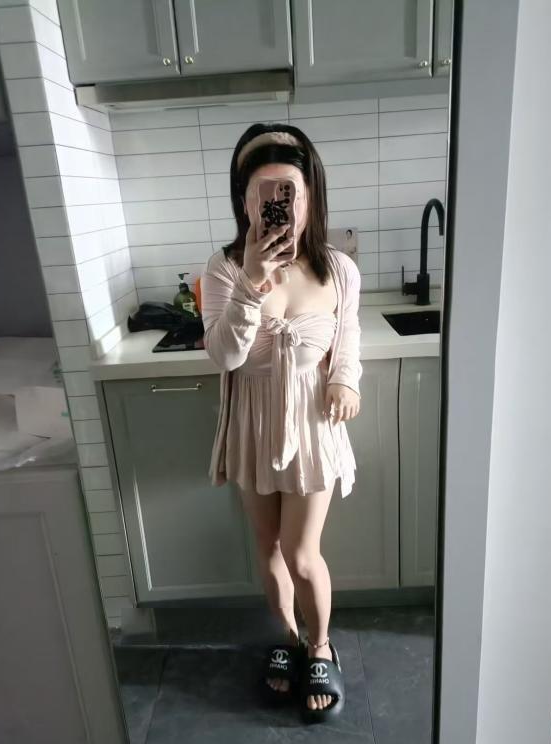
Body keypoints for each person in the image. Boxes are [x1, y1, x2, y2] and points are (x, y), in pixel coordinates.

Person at [200, 123, 362, 722]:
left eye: (288, 192)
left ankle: (321, 645)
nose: (277, 205)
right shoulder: (223, 269)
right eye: (262, 192)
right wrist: (251, 281)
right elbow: (225, 356)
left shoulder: (338, 269)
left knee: (301, 552)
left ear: (309, 198)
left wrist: (346, 379)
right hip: (253, 426)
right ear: (245, 201)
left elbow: (348, 335)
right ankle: (291, 640)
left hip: (314, 429)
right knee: (267, 547)